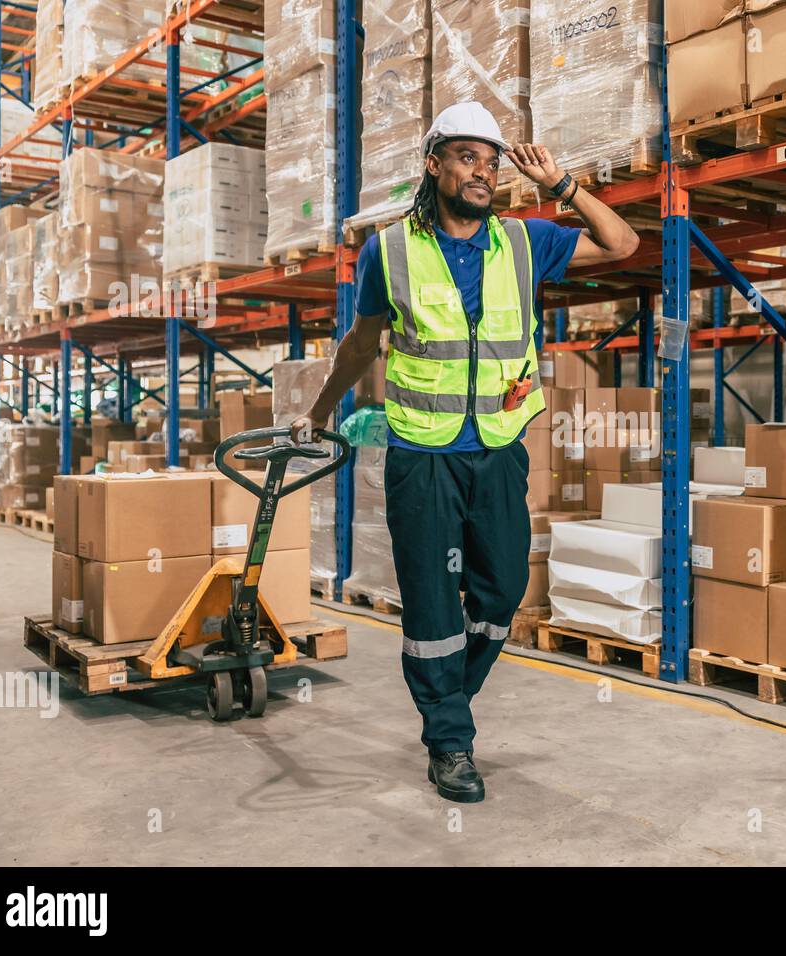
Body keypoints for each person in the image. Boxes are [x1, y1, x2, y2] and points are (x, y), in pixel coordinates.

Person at [290, 101, 639, 803]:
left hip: (500, 449)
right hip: (422, 454)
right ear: (434, 165)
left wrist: (564, 184)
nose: (483, 171)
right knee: (429, 603)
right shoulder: (388, 251)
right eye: (467, 157)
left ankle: (453, 694)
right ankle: (449, 740)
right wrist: (318, 410)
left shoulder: (523, 241)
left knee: (502, 589)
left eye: (491, 159)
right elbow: (361, 346)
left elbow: (624, 243)